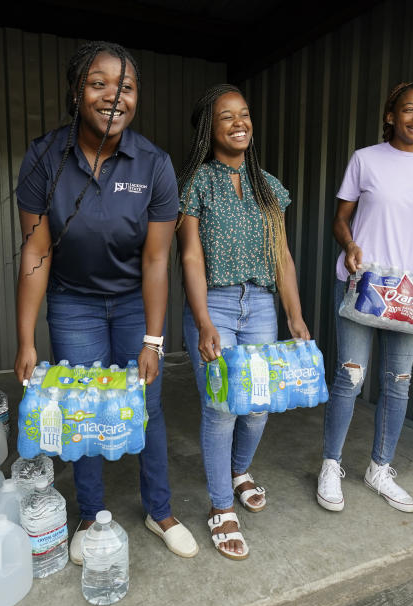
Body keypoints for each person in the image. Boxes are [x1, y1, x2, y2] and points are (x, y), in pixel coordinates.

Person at [14, 41, 198, 562]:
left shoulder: (154, 164)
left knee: (147, 405)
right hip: (74, 303)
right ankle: (91, 513)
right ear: (77, 91)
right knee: (82, 407)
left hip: (135, 302)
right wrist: (25, 339)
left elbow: (157, 260)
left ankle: (159, 510)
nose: (114, 96)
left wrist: (154, 339)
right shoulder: (44, 157)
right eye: (99, 84)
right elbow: (36, 248)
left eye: (126, 87)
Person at [176, 84, 310, 560]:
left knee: (258, 405)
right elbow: (190, 256)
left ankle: (238, 471)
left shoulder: (267, 186)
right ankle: (219, 507)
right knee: (221, 408)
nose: (240, 123)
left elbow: (283, 256)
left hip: (261, 305)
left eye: (245, 115)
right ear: (208, 129)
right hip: (215, 303)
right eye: (227, 117)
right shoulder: (197, 182)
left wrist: (294, 315)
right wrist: (202, 318)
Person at [316, 81, 413, 514]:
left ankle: (380, 468)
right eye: (409, 109)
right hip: (365, 284)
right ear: (390, 116)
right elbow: (341, 217)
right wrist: (349, 245)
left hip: (410, 291)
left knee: (398, 383)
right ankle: (331, 464)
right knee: (351, 377)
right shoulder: (365, 159)